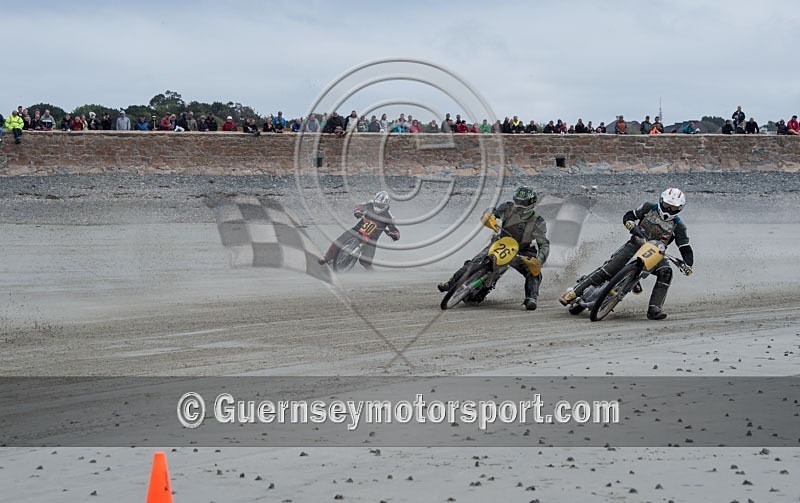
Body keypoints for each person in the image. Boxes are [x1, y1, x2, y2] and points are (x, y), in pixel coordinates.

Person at [559, 188, 694, 320]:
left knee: (666, 272)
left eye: (673, 208)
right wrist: (630, 224)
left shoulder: (679, 226)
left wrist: (688, 264)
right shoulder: (648, 208)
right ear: (661, 201)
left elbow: (685, 247)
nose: (668, 210)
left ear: (680, 209)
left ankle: (655, 309)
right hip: (635, 245)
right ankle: (574, 292)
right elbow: (630, 215)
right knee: (608, 269)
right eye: (666, 205)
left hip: (657, 254)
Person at [437, 186, 550, 311]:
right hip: (501, 242)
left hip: (521, 251)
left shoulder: (538, 221)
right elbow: (493, 211)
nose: (519, 205)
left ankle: (531, 298)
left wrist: (539, 260)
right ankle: (451, 283)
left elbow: (544, 244)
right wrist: (488, 216)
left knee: (534, 272)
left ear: (531, 203)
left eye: (523, 203)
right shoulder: (507, 207)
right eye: (518, 201)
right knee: (475, 261)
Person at [318, 191, 400, 269]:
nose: (378, 207)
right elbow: (358, 207)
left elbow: (395, 231)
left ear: (386, 205)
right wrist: (357, 212)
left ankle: (374, 276)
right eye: (377, 204)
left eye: (380, 205)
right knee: (338, 242)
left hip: (371, 240)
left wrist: (394, 235)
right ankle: (326, 258)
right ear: (375, 201)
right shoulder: (370, 204)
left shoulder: (389, 217)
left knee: (366, 263)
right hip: (357, 230)